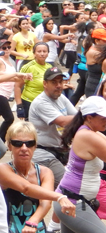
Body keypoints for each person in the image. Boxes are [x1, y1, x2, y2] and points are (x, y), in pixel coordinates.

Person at [0, 121, 75, 233]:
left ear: (35, 146)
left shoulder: (45, 172)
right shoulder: (2, 169)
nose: (24, 148)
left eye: (29, 143)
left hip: (36, 228)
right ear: (9, 146)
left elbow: (45, 202)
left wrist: (32, 222)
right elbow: (26, 188)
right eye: (17, 143)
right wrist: (59, 197)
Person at [54, 96, 106, 233]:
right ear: (89, 117)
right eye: (103, 118)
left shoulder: (91, 132)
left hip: (75, 200)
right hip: (73, 201)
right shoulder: (87, 136)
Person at [28, 67, 77, 187]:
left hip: (61, 149)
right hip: (43, 152)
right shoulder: (41, 102)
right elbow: (63, 121)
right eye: (54, 82)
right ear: (45, 84)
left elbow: (76, 117)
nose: (59, 85)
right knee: (67, 185)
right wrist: (87, 112)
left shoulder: (61, 97)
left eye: (60, 82)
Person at [15, 43, 50, 120]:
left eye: (44, 51)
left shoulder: (49, 67)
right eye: (39, 51)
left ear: (48, 53)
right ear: (34, 53)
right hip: (29, 102)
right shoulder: (28, 67)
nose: (42, 54)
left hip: (45, 102)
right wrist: (19, 106)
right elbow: (17, 86)